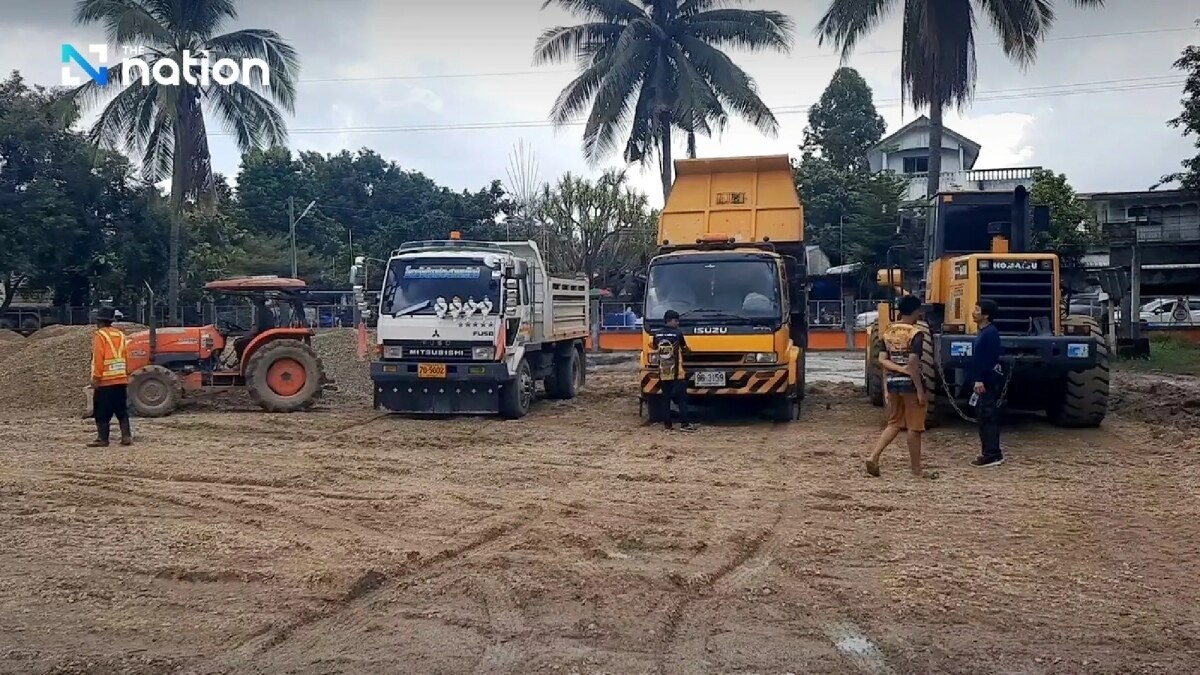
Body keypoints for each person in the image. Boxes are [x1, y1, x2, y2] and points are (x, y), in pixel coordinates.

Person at [865, 295, 933, 478]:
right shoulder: (915, 333)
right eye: (919, 310)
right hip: (910, 385)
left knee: (894, 423)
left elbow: (881, 360)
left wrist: (897, 370)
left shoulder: (888, 332)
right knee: (914, 427)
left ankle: (874, 455)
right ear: (915, 311)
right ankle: (916, 470)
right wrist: (919, 389)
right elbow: (913, 363)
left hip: (893, 383)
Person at [88, 306, 132, 447]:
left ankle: (103, 438)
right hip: (121, 379)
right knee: (121, 409)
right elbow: (126, 355)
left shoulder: (100, 335)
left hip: (105, 381)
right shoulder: (120, 335)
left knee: (101, 411)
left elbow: (98, 358)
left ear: (99, 321)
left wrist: (96, 378)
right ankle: (126, 436)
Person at [970, 299, 1004, 467]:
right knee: (983, 417)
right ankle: (987, 452)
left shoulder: (990, 334)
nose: (973, 312)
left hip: (986, 382)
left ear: (986, 315)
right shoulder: (983, 332)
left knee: (988, 416)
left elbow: (988, 360)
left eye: (977, 309)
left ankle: (992, 454)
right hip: (982, 380)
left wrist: (980, 379)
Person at [652, 310, 696, 432]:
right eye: (676, 321)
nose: (677, 323)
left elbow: (654, 346)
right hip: (678, 372)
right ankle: (685, 424)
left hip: (664, 371)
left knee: (665, 399)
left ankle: (667, 425)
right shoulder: (677, 334)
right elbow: (684, 348)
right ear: (670, 320)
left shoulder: (657, 334)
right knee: (682, 399)